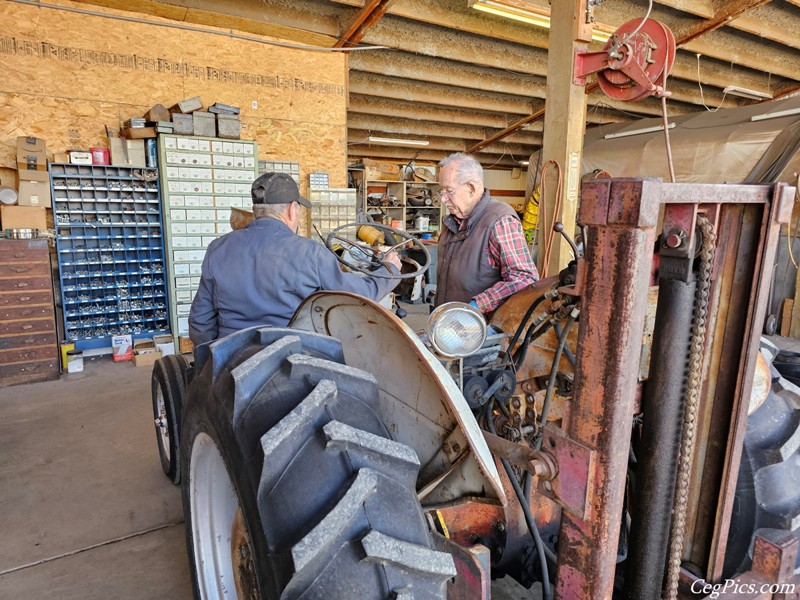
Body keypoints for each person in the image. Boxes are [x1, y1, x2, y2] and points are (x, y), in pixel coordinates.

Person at [189, 172, 402, 346]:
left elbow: (200, 322)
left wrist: (214, 361)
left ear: (256, 210)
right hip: (291, 361)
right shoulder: (310, 252)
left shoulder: (217, 249)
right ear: (293, 209)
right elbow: (360, 294)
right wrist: (389, 269)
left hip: (230, 358)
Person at [435, 153, 539, 315]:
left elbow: (524, 278)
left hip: (482, 330)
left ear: (471, 188)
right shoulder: (451, 223)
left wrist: (476, 306)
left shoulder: (499, 221)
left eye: (448, 191)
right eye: (441, 191)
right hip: (449, 326)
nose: (443, 199)